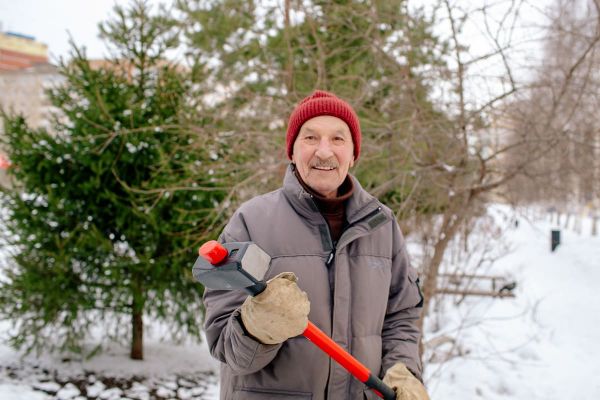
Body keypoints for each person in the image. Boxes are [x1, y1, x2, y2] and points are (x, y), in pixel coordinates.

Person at [203, 90, 429, 400]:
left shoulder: (382, 225)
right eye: (310, 138)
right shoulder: (251, 221)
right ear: (292, 152)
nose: (324, 152)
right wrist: (256, 326)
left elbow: (401, 316)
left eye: (338, 139)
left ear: (353, 154)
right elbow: (227, 349)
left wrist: (402, 369)